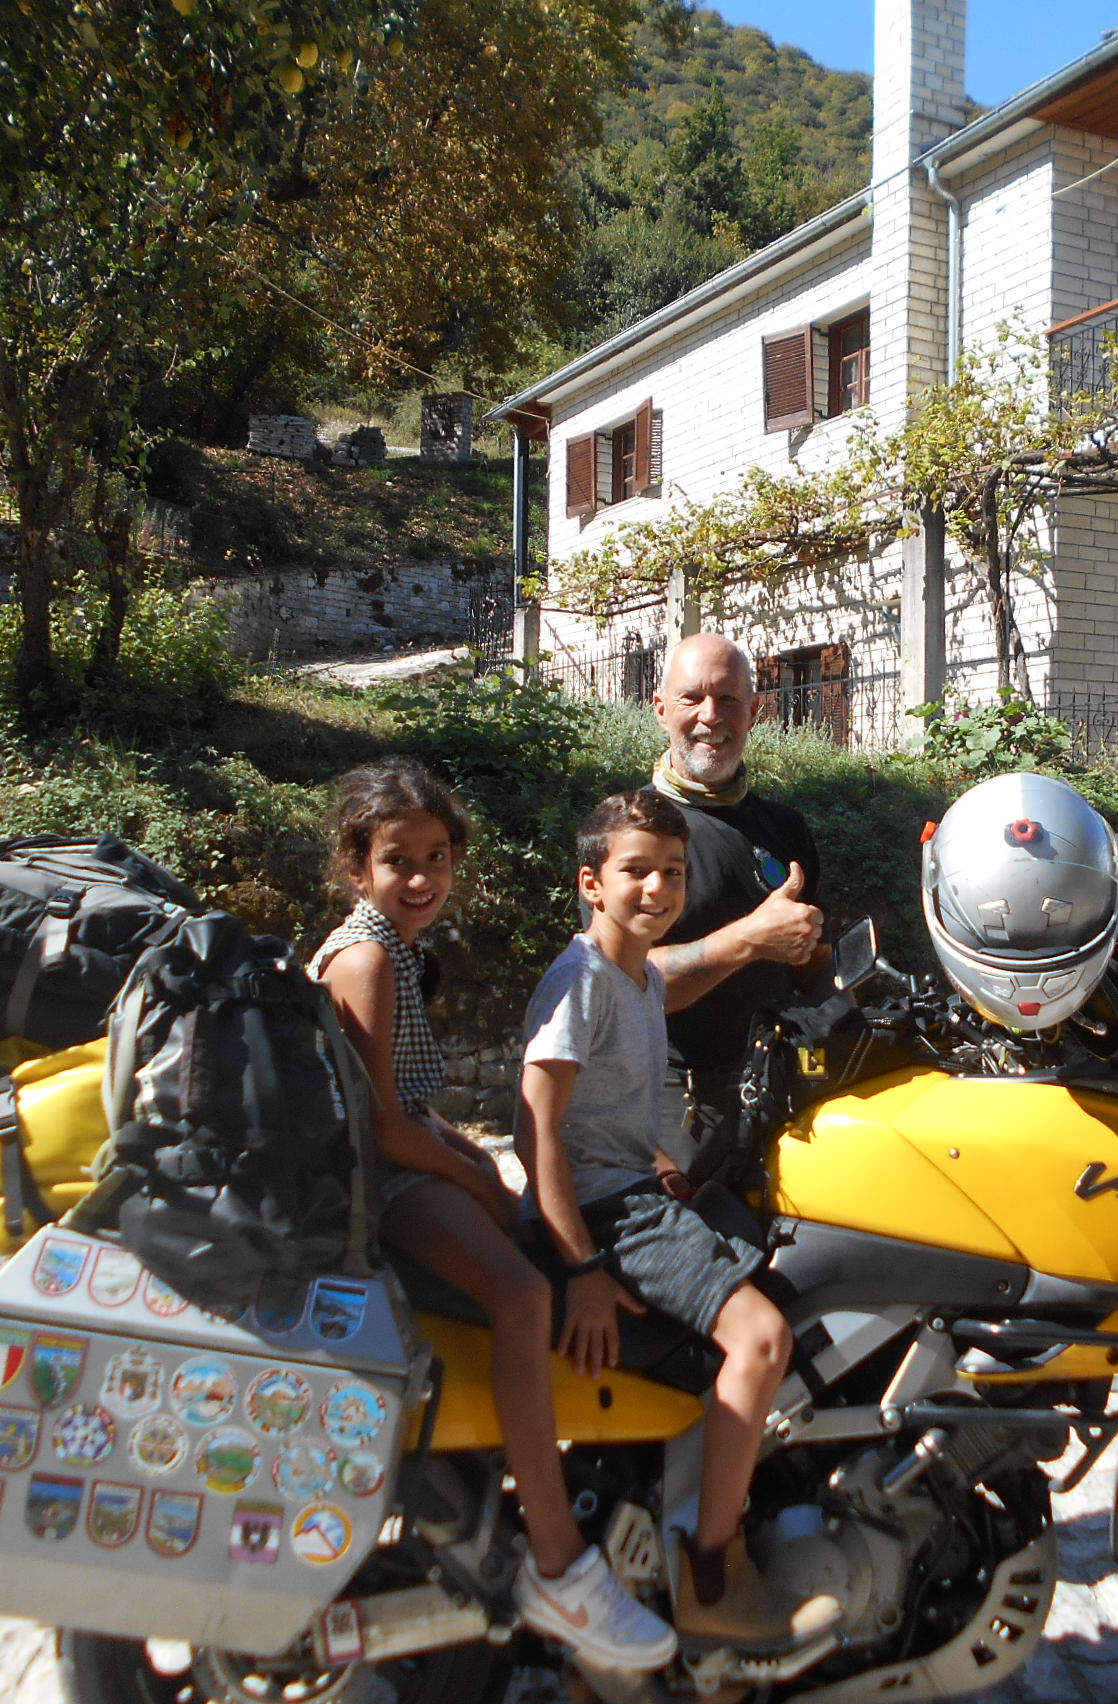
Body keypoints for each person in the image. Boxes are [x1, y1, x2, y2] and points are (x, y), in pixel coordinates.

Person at [314, 761, 676, 1673]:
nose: (422, 878)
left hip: (397, 1162)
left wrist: (471, 1158)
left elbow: (405, 1102)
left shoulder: (391, 948)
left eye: (437, 857)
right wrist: (480, 1184)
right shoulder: (365, 957)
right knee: (523, 1295)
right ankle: (560, 1562)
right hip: (378, 1184)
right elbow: (383, 1130)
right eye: (399, 860)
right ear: (356, 866)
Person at [519, 788, 841, 1652]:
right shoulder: (583, 981)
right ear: (591, 883)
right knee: (762, 1339)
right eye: (636, 872)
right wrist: (583, 1270)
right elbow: (535, 1129)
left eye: (672, 873)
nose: (657, 889)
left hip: (629, 1189)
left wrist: (655, 1160)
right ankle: (712, 1575)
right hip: (605, 1215)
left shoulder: (640, 976)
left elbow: (602, 1111)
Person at [644, 634, 828, 1182]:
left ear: (754, 711)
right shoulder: (630, 832)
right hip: (680, 1112)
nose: (711, 716)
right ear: (661, 710)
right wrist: (752, 938)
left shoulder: (784, 827)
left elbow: (812, 967)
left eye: (728, 699)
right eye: (692, 698)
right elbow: (623, 987)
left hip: (783, 1093)